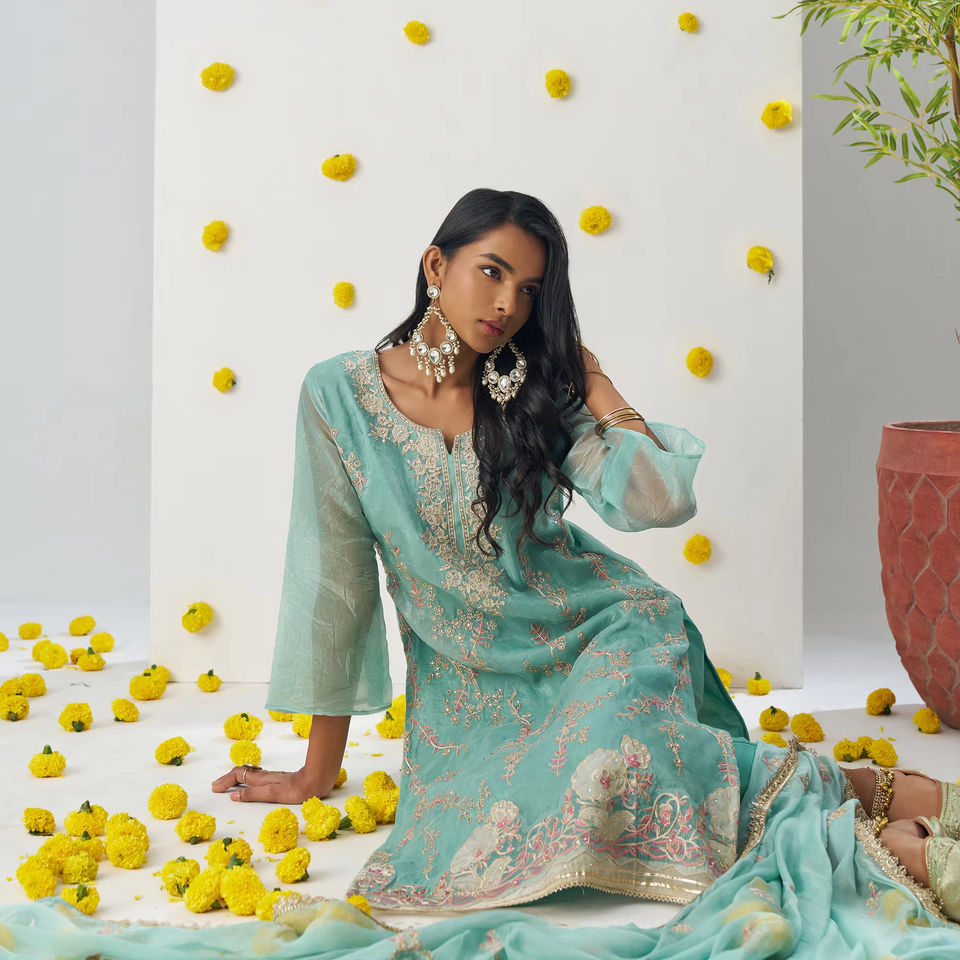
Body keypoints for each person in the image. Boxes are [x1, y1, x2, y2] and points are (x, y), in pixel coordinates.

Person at [207, 188, 960, 940]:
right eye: (492, 272)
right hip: (474, 696)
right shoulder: (338, 397)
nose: (508, 304)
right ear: (436, 266)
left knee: (614, 764)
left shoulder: (535, 394)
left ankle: (877, 823)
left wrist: (594, 384)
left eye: (530, 290)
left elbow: (659, 499)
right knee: (542, 815)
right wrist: (316, 772)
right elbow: (334, 588)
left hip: (603, 632)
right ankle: (874, 795)